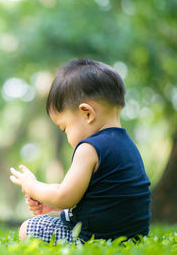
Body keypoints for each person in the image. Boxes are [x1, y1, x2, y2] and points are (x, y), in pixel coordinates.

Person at [10, 58, 151, 243]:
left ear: (87, 113)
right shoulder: (129, 147)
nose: (67, 136)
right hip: (133, 240)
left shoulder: (89, 148)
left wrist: (31, 186)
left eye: (64, 127)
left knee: (27, 228)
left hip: (95, 239)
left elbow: (63, 195)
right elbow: (101, 202)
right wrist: (52, 207)